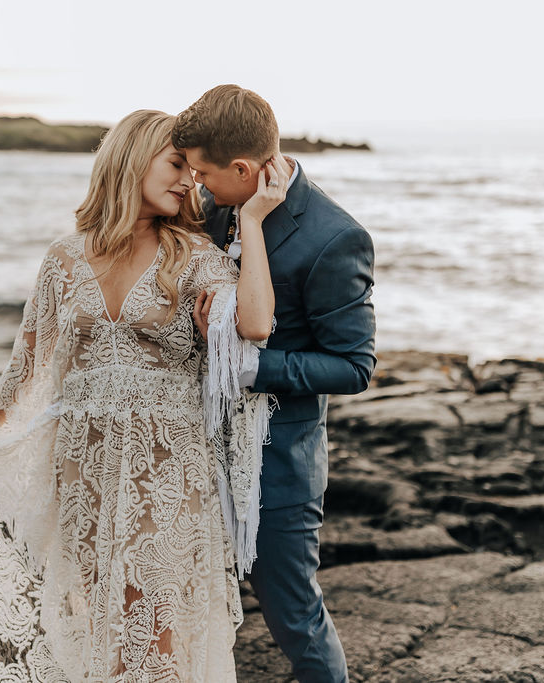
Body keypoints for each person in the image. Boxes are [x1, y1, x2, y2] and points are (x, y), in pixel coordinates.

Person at [0, 109, 287, 682]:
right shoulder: (63, 260)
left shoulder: (192, 257)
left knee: (155, 632)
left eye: (193, 173)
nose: (187, 181)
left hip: (166, 470)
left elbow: (257, 323)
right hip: (82, 469)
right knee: (98, 629)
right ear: (130, 159)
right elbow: (27, 369)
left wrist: (254, 220)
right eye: (175, 165)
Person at [173, 84, 377, 683]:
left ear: (242, 168)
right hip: (190, 450)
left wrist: (250, 367)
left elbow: (354, 366)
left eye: (205, 173)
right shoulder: (209, 211)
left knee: (295, 620)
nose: (196, 185)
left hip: (278, 465)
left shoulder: (334, 238)